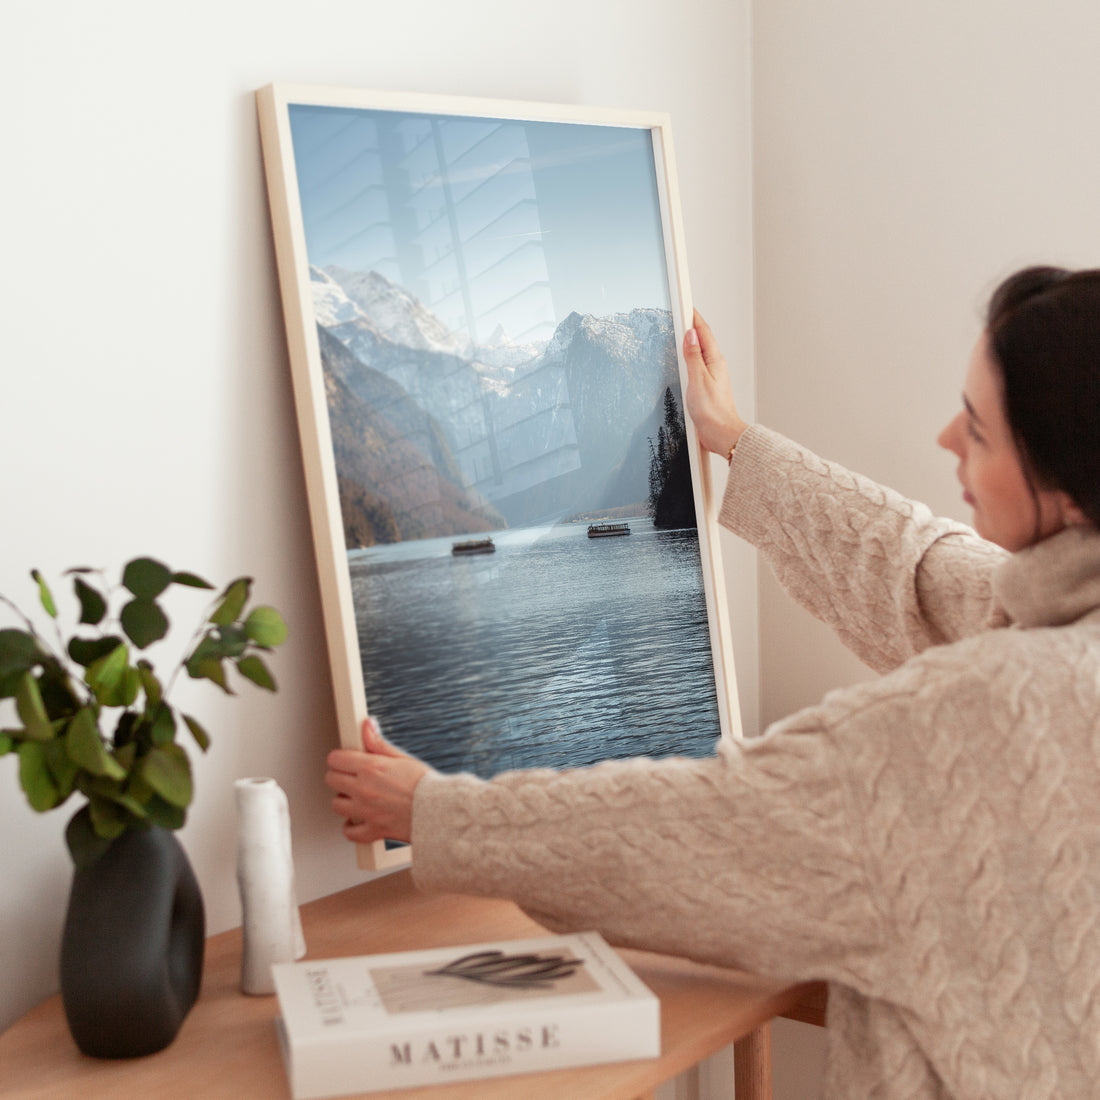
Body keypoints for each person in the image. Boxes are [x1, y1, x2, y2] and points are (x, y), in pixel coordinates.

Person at [325, 265, 1100, 1099]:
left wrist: (434, 813)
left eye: (979, 431)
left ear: (1064, 487)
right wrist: (734, 439)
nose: (947, 437)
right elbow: (918, 569)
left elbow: (704, 826)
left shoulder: (979, 717)